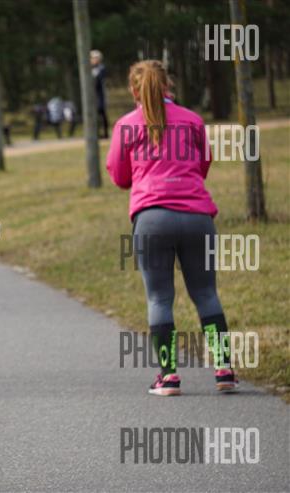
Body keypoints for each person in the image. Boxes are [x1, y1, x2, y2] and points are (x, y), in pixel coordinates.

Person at [106, 60, 238, 396]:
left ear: (134, 90)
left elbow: (119, 176)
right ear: (168, 85)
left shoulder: (126, 125)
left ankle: (169, 377)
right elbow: (203, 164)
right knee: (206, 293)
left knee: (159, 297)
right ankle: (224, 369)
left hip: (152, 218)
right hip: (197, 215)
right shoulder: (192, 120)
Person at [91, 49, 109, 139]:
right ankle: (96, 133)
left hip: (100, 95)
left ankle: (105, 133)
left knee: (102, 114)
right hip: (93, 96)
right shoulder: (90, 69)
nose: (93, 60)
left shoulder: (101, 69)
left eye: (95, 58)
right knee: (95, 115)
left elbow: (98, 82)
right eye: (92, 58)